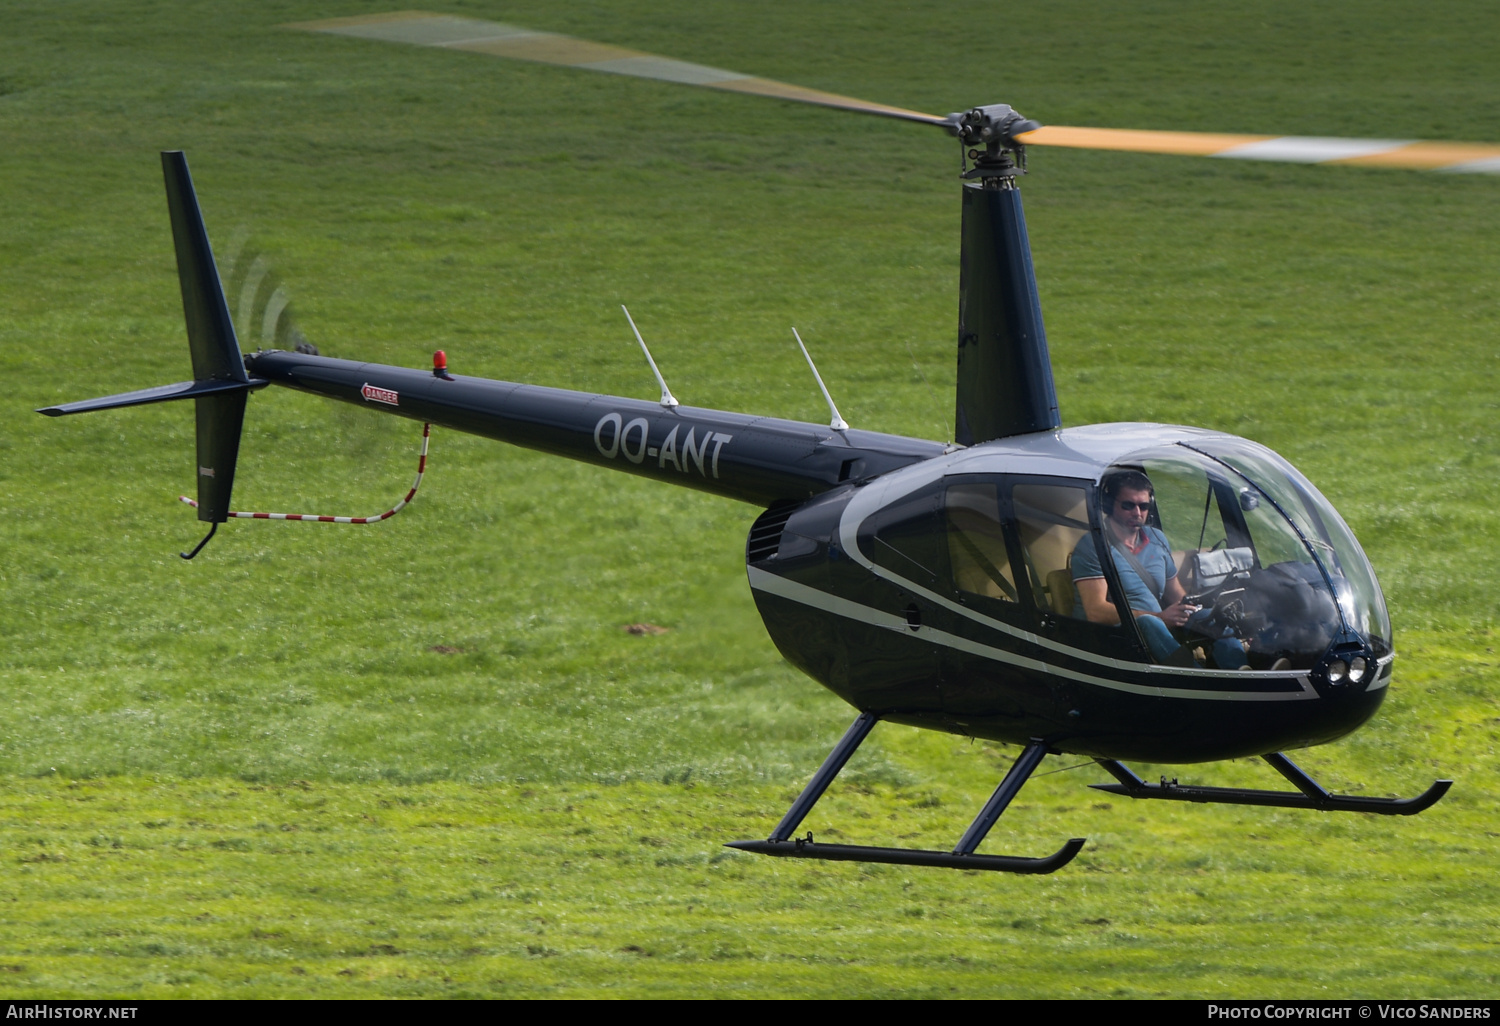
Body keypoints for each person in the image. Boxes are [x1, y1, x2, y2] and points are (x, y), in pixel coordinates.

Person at [1073, 470, 1249, 669]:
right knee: (1149, 623)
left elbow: (1176, 595)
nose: (1137, 513)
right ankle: (1198, 683)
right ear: (1108, 504)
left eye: (1144, 506)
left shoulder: (1156, 538)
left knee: (1212, 616)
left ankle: (1241, 674)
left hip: (1157, 626)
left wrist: (1195, 611)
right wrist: (1160, 617)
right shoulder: (1093, 545)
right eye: (1128, 505)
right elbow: (1095, 612)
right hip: (1113, 636)